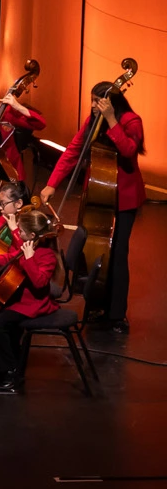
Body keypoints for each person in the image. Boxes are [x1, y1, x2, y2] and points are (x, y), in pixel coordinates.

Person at [44, 80, 143, 332]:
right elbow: (72, 152)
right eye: (92, 101)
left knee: (118, 253)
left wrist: (111, 120)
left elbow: (128, 150)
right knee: (96, 252)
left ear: (112, 103)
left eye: (97, 101)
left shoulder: (131, 121)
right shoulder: (92, 121)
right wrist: (51, 185)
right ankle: (98, 304)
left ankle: (117, 314)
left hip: (125, 197)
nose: (92, 106)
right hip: (98, 194)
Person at [0, 206, 63, 389]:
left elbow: (39, 283)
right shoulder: (29, 247)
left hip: (34, 305)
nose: (17, 234)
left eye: (20, 231)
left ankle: (8, 371)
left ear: (31, 235)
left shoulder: (47, 256)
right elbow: (8, 258)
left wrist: (29, 259)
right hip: (22, 300)